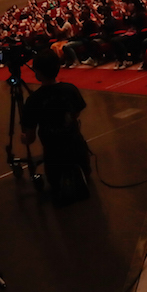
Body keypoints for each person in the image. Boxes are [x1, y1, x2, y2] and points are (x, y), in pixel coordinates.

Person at [20, 49, 90, 203]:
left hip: (53, 154)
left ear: (37, 73)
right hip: (76, 149)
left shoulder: (34, 100)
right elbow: (76, 112)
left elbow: (30, 138)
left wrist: (23, 138)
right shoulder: (70, 89)